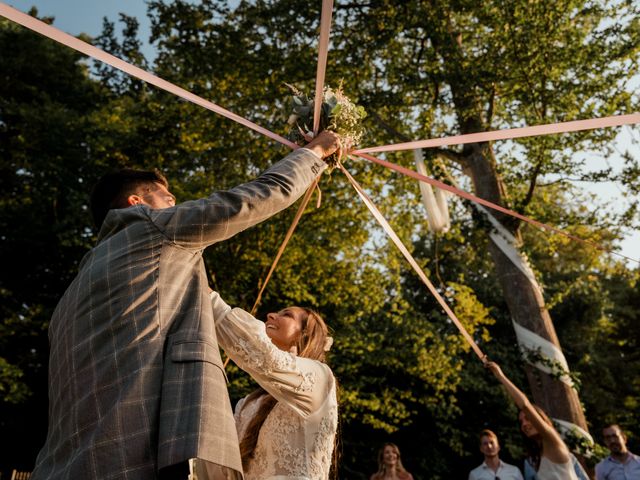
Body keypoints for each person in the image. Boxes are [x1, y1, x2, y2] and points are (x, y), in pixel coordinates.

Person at [30, 131, 342, 480]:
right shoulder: (151, 226)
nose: (176, 205)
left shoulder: (72, 296)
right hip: (142, 453)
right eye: (168, 198)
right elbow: (249, 200)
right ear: (138, 203)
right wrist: (314, 152)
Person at [205, 290, 338, 480]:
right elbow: (223, 464)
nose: (270, 315)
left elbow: (267, 358)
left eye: (287, 314)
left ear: (304, 334)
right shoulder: (248, 404)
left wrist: (210, 297)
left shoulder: (320, 377)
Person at [486, 361, 579, 480]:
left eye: (528, 419)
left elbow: (525, 405)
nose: (524, 424)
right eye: (521, 422)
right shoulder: (537, 457)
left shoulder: (553, 441)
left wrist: (500, 376)